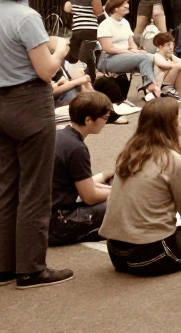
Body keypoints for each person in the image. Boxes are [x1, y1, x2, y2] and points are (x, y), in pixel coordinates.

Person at [0, 0, 74, 288]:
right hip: (29, 103)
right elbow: (47, 70)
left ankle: (5, 265)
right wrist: (62, 47)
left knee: (7, 186)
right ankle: (31, 268)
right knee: (35, 188)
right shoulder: (26, 16)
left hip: (1, 105)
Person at [100, 98, 181, 276]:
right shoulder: (175, 161)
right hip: (153, 255)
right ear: (171, 124)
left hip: (116, 253)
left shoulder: (128, 154)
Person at [49, 91, 113, 247]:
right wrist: (119, 192)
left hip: (41, 216)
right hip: (58, 222)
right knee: (124, 202)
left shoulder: (61, 135)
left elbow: (79, 183)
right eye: (104, 118)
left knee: (112, 185)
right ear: (88, 120)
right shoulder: (76, 148)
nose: (106, 122)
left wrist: (106, 180)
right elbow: (89, 196)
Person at [96, 0, 160, 101]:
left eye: (127, 3)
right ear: (115, 8)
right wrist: (128, 52)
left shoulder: (125, 22)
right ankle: (149, 87)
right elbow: (107, 48)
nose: (127, 6)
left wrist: (137, 51)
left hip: (126, 55)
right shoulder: (105, 24)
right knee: (144, 58)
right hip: (110, 58)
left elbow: (132, 44)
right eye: (123, 5)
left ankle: (151, 88)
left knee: (150, 56)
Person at [65, 0, 103, 78]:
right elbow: (98, 11)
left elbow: (72, 8)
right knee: (84, 63)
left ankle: (91, 85)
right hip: (90, 29)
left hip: (77, 29)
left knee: (86, 60)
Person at [151, 32, 181, 103]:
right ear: (160, 46)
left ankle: (180, 93)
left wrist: (173, 62)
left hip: (165, 79)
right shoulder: (156, 55)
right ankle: (166, 88)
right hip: (158, 82)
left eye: (172, 44)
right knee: (177, 66)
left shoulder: (170, 56)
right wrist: (174, 64)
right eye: (168, 45)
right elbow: (163, 65)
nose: (171, 47)